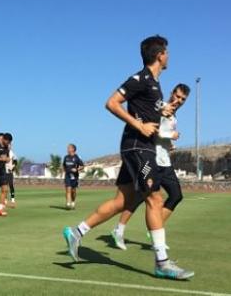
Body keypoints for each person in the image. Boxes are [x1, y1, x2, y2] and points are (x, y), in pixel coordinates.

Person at [62, 35, 194, 280]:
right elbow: (112, 103)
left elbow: (144, 109)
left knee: (122, 201)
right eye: (166, 51)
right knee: (155, 199)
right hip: (137, 147)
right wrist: (139, 126)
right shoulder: (142, 78)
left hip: (141, 147)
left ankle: (76, 232)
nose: (169, 55)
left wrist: (160, 111)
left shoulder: (154, 84)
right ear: (159, 55)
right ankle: (162, 263)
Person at [111, 83, 190, 250]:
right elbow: (151, 129)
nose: (179, 100)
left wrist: (169, 143)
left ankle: (155, 228)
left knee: (176, 195)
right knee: (138, 198)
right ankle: (119, 230)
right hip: (150, 159)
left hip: (165, 161)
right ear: (172, 93)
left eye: (183, 99)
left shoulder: (174, 116)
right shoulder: (160, 107)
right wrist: (171, 135)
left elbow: (161, 136)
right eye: (177, 96)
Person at [62, 144, 84, 210]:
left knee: (73, 191)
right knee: (68, 189)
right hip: (67, 176)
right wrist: (64, 170)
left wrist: (76, 169)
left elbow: (82, 166)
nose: (67, 149)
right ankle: (68, 203)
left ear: (73, 149)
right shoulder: (66, 157)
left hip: (74, 177)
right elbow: (63, 165)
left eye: (69, 148)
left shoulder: (77, 157)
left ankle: (73, 202)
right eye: (67, 148)